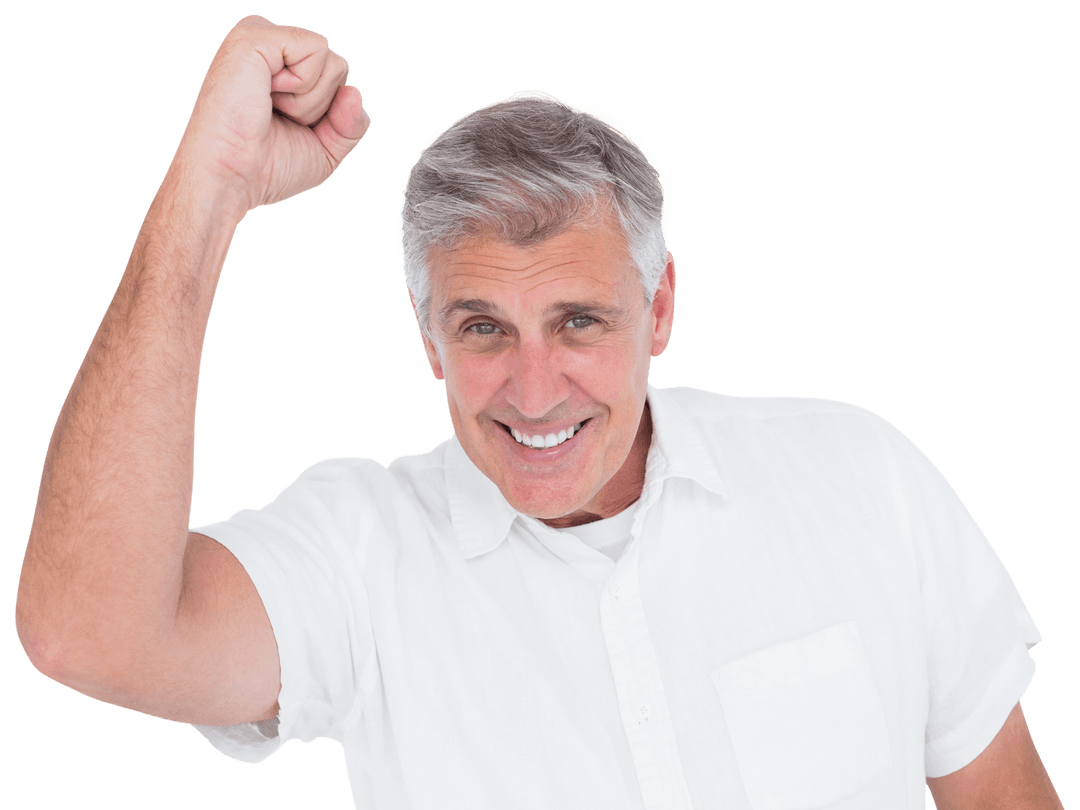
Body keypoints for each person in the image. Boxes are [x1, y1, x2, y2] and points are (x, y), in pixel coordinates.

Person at [13, 15, 1065, 810]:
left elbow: (1003, 795)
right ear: (428, 339)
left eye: (577, 322)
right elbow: (84, 632)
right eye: (481, 328)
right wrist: (214, 183)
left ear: (659, 306)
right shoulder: (362, 553)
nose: (533, 389)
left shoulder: (857, 475)